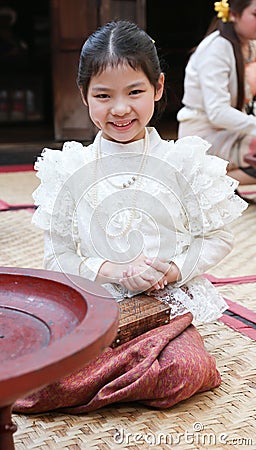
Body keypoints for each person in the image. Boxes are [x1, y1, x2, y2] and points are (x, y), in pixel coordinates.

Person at [14, 20, 247, 414]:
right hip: (94, 306)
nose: (120, 109)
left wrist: (172, 270)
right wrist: (109, 270)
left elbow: (219, 238)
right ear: (84, 95)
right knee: (40, 368)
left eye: (135, 92)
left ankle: (98, 377)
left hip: (163, 311)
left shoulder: (183, 162)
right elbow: (57, 258)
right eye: (103, 95)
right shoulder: (70, 168)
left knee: (186, 369)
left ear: (157, 88)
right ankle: (118, 374)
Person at [177, 0, 256, 185]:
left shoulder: (250, 44)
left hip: (231, 131)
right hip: (205, 135)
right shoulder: (216, 48)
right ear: (234, 14)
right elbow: (217, 113)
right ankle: (210, 185)